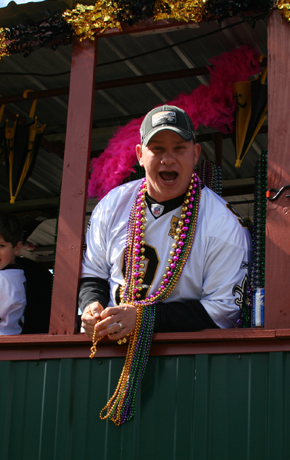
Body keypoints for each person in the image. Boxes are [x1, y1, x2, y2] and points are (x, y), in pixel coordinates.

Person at [79, 104, 250, 343]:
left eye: (179, 149)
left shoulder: (223, 223)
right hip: (107, 349)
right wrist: (90, 307)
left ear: (195, 153)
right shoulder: (113, 205)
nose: (168, 160)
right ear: (140, 155)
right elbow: (93, 274)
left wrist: (144, 318)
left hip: (181, 358)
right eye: (157, 149)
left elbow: (223, 310)